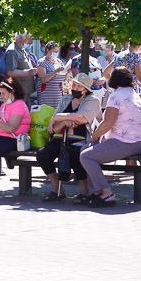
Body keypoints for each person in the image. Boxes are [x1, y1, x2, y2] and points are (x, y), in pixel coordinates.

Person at [78, 67, 141, 207]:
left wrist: (95, 136)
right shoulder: (134, 94)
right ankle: (98, 191)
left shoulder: (116, 95)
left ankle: (107, 193)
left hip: (124, 142)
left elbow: (108, 123)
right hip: (137, 142)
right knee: (84, 150)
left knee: (86, 156)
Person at [36, 73, 102, 202]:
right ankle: (57, 188)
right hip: (60, 138)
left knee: (76, 153)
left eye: (79, 86)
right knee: (43, 154)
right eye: (74, 85)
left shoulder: (93, 100)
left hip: (82, 139)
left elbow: (81, 118)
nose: (75, 88)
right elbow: (53, 127)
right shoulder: (65, 99)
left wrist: (58, 117)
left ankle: (85, 191)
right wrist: (63, 121)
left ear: (86, 89)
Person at [5, 31, 37, 102]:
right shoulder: (12, 50)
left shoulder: (22, 50)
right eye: (28, 39)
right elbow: (10, 72)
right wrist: (29, 72)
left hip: (25, 91)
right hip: (18, 92)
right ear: (20, 37)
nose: (29, 42)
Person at [36, 41, 69, 108]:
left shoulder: (59, 62)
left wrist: (67, 72)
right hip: (47, 95)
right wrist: (55, 71)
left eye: (57, 52)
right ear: (47, 50)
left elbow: (66, 79)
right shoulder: (42, 62)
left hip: (58, 95)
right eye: (54, 52)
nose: (56, 54)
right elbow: (43, 79)